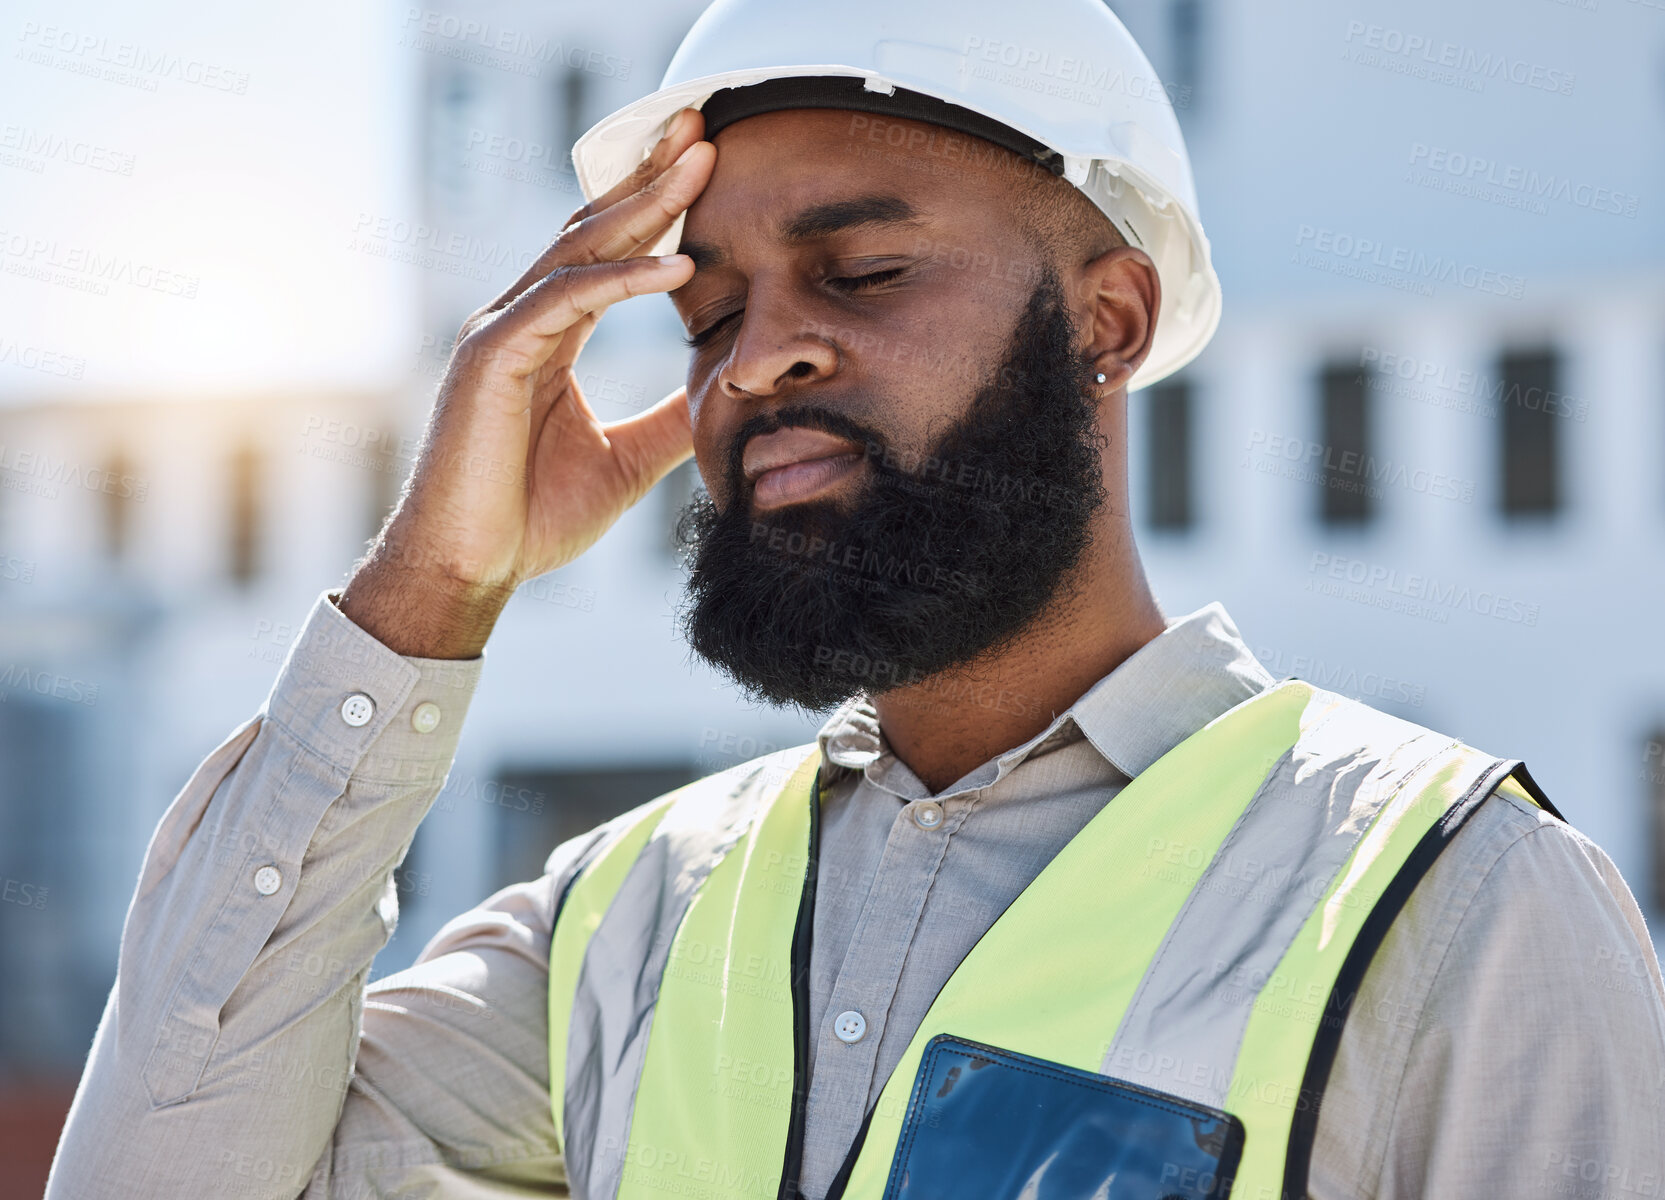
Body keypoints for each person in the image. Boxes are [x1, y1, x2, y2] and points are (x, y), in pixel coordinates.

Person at [48, 0, 1665, 1196]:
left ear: (1106, 320)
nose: (758, 359)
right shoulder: (627, 918)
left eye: (864, 272)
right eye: (703, 314)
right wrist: (433, 587)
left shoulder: (1453, 900)